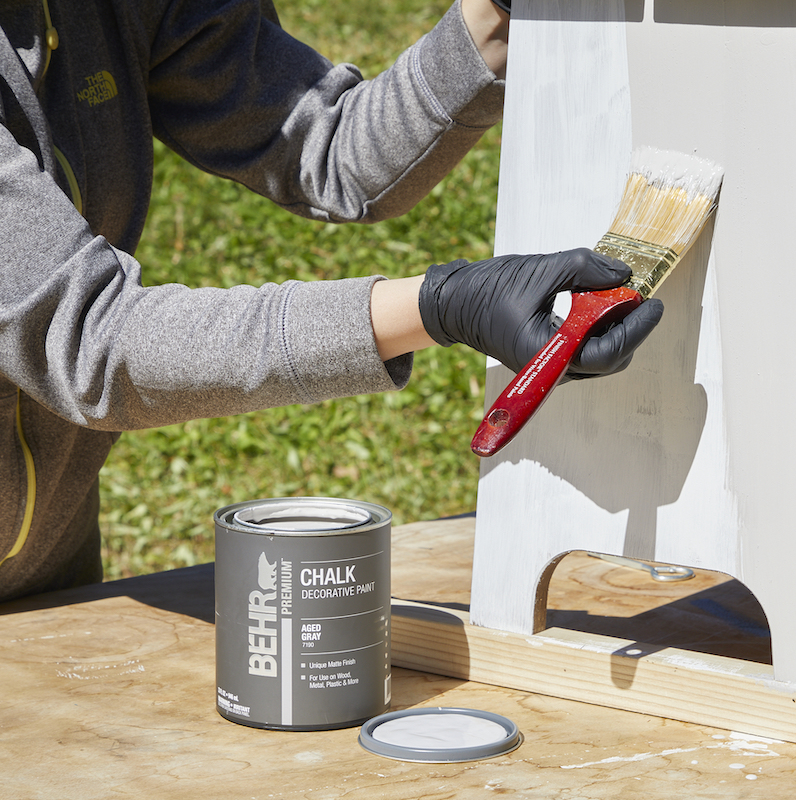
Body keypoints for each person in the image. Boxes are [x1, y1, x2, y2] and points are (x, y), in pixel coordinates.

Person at [0, 0, 664, 603]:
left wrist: (492, 20)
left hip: (51, 571)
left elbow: (326, 145)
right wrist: (440, 308)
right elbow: (94, 342)